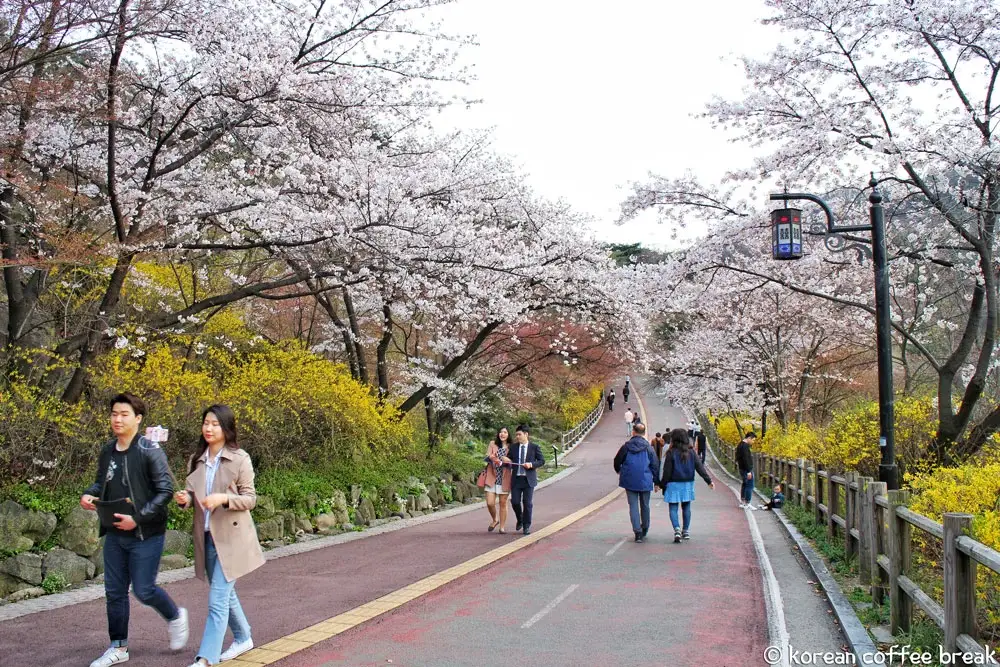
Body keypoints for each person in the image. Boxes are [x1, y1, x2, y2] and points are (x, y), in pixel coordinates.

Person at [80, 393, 189, 667]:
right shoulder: (107, 450)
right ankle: (118, 646)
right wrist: (90, 495)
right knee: (114, 592)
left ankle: (175, 616)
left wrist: (137, 519)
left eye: (124, 414)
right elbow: (101, 483)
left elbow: (164, 491)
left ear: (138, 419)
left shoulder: (149, 450)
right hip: (115, 532)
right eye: (114, 414)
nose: (117, 419)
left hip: (145, 534)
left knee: (144, 589)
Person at [174, 405, 265, 666]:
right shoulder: (197, 459)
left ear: (226, 428)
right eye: (206, 423)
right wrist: (185, 498)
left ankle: (206, 658)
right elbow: (192, 493)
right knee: (225, 594)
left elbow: (250, 499)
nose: (209, 428)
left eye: (215, 424)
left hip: (232, 539)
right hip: (207, 539)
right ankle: (243, 637)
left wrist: (224, 498)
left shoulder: (240, 459)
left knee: (217, 601)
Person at [659, 428, 715, 542]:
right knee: (686, 507)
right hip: (687, 483)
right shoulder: (691, 452)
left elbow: (667, 471)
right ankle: (686, 531)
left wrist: (662, 485)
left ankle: (677, 529)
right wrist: (708, 481)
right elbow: (699, 467)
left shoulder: (671, 452)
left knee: (673, 508)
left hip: (673, 483)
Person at [613, 423, 659, 543]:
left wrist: (619, 471)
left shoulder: (626, 447)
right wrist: (656, 481)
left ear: (633, 432)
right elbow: (655, 465)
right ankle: (645, 528)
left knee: (633, 506)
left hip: (629, 480)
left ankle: (637, 532)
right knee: (645, 505)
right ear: (644, 433)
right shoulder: (649, 448)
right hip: (645, 479)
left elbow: (617, 461)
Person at [506, 425, 544, 535]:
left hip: (528, 480)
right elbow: (509, 460)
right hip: (516, 479)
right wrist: (505, 460)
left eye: (519, 434)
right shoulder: (513, 447)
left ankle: (526, 526)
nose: (517, 437)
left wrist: (531, 464)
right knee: (515, 502)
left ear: (526, 434)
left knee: (527, 503)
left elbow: (541, 461)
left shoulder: (534, 447)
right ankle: (520, 519)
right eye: (516, 435)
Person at [483, 427, 513, 533]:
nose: (502, 434)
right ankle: (495, 519)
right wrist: (492, 458)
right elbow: (487, 457)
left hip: (505, 477)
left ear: (508, 434)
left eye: (505, 432)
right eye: (501, 432)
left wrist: (508, 460)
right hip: (492, 476)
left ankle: (502, 527)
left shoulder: (512, 446)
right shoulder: (493, 444)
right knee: (490, 503)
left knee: (503, 503)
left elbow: (514, 461)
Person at [735, 431, 758, 509]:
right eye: (753, 440)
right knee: (750, 485)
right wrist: (748, 471)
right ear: (749, 438)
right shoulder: (745, 446)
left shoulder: (740, 444)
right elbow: (746, 459)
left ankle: (743, 501)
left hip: (742, 468)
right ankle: (747, 502)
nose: (753, 442)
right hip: (746, 469)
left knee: (745, 484)